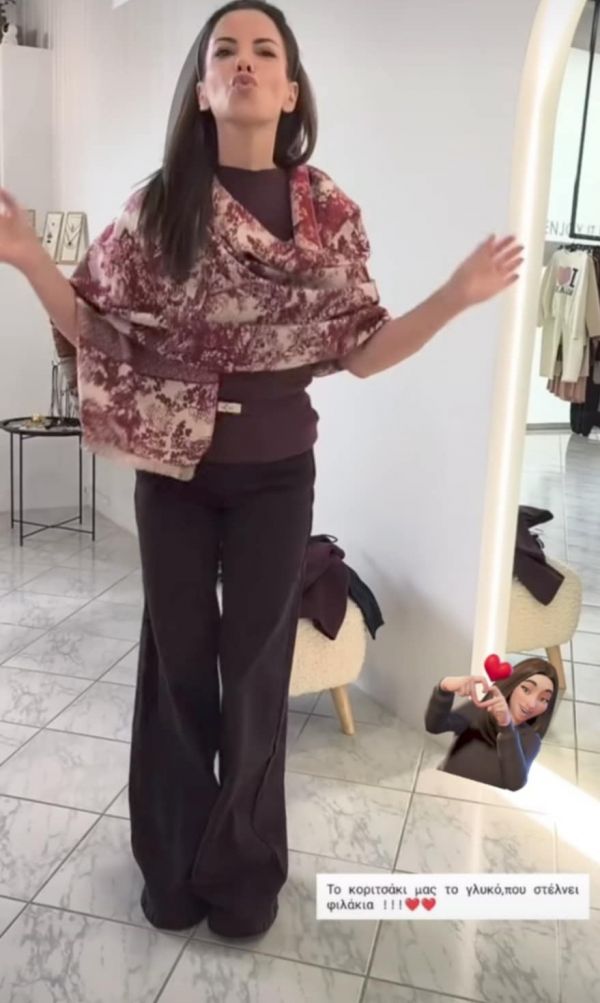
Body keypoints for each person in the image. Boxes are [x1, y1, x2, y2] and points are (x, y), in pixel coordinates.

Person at [0, 0, 523, 938]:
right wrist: (30, 258)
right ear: (202, 90)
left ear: (289, 90)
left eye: (264, 51)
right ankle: (170, 870)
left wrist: (455, 295)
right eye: (225, 52)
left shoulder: (330, 216)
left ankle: (242, 879)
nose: (243, 63)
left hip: (278, 475)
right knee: (177, 669)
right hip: (174, 473)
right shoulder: (160, 207)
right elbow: (98, 328)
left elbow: (363, 351)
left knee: (254, 679)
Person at [424, 658, 558, 791]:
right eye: (526, 690)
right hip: (444, 789)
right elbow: (434, 726)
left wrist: (506, 727)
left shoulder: (531, 739)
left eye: (543, 699)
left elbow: (515, 783)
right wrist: (444, 688)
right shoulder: (477, 712)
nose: (532, 704)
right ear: (512, 685)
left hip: (481, 800)